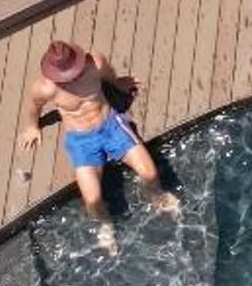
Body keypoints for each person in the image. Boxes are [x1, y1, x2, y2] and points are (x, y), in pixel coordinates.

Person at [15, 39, 182, 252]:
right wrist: (31, 126)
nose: (70, 79)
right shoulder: (45, 88)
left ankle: (156, 196)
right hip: (81, 140)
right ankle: (105, 226)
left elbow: (108, 75)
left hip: (110, 126)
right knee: (92, 199)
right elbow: (34, 106)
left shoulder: (94, 64)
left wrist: (118, 83)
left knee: (149, 173)